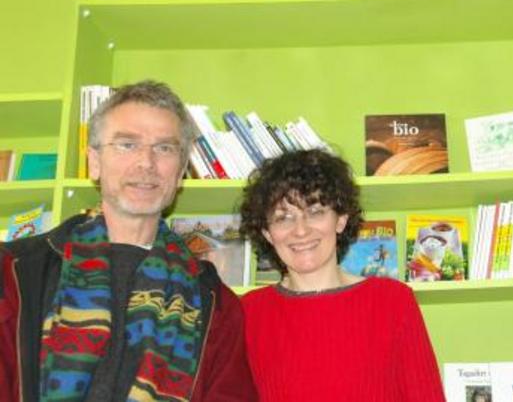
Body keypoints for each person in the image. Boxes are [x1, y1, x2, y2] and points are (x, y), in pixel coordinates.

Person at [0, 81, 256, 402]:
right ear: (94, 161)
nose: (146, 163)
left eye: (164, 148)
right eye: (126, 144)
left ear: (180, 174)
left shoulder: (214, 300)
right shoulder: (14, 272)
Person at [239, 149, 446, 401]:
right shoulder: (247, 313)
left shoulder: (393, 302)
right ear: (268, 232)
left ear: (341, 220)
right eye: (284, 218)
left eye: (315, 212)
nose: (301, 231)